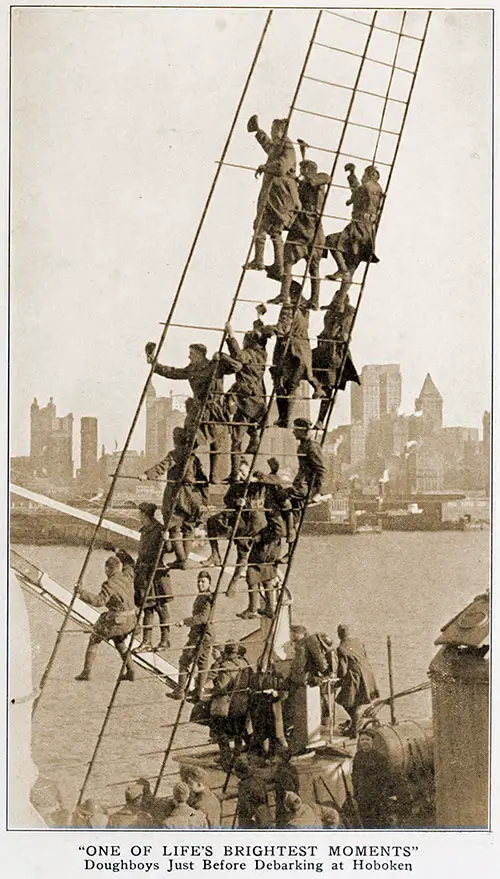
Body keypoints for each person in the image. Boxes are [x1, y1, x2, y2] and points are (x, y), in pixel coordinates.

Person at [145, 341, 241, 483]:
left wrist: (222, 356)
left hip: (215, 412)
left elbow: (237, 366)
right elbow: (173, 372)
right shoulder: (192, 369)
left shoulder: (215, 365)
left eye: (191, 354)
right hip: (198, 412)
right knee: (189, 443)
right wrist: (155, 365)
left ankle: (214, 477)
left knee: (217, 445)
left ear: (200, 355)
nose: (189, 357)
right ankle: (188, 473)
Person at [270, 150, 331, 310]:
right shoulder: (304, 182)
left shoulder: (320, 178)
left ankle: (313, 299)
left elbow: (317, 180)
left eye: (304, 170)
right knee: (289, 261)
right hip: (306, 225)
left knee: (308, 265)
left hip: (309, 226)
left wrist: (304, 176)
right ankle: (285, 294)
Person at [145, 427, 209, 570]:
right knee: (189, 528)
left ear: (175, 441)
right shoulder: (194, 458)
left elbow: (163, 465)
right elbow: (203, 481)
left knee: (174, 528)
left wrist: (148, 474)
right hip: (194, 497)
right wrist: (204, 501)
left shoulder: (176, 454)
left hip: (178, 495)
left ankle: (182, 559)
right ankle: (183, 560)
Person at [246, 115, 300, 280]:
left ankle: (279, 265)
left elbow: (282, 166)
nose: (272, 131)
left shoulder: (288, 147)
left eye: (273, 129)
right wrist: (258, 132)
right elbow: (270, 148)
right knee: (260, 225)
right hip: (271, 193)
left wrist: (265, 166)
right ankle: (259, 260)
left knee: (275, 231)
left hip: (281, 196)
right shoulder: (279, 145)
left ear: (281, 130)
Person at [204, 458, 268, 596]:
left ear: (248, 467)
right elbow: (227, 499)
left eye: (242, 470)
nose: (240, 474)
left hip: (256, 525)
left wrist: (251, 481)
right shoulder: (237, 483)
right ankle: (215, 554)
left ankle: (233, 582)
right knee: (211, 522)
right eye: (237, 471)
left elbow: (266, 480)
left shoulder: (259, 479)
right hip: (241, 524)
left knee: (246, 558)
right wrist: (236, 501)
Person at [268, 282, 325, 429]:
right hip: (303, 346)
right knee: (297, 380)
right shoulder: (305, 307)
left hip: (289, 350)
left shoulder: (289, 308)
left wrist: (264, 329)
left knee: (282, 382)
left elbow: (283, 329)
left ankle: (284, 418)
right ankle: (318, 388)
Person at [75, 556, 137, 682]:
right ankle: (131, 671)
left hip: (118, 620)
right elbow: (130, 564)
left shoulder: (110, 583)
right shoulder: (127, 577)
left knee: (94, 638)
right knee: (119, 641)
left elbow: (99, 601)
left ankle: (86, 672)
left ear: (107, 569)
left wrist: (82, 592)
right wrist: (118, 551)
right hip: (131, 620)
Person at [324, 163, 383, 287]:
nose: (362, 177)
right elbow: (358, 189)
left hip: (358, 227)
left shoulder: (365, 187)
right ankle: (339, 303)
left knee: (331, 240)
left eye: (363, 175)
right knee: (352, 262)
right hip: (369, 229)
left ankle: (342, 270)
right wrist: (352, 175)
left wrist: (349, 200)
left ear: (368, 175)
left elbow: (354, 194)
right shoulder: (379, 189)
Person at [224, 319, 268, 480]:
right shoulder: (262, 353)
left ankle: (235, 473)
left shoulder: (248, 354)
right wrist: (258, 321)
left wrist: (230, 335)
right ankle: (254, 436)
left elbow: (238, 355)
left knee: (236, 440)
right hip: (257, 400)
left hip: (246, 401)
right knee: (245, 428)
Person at [312, 290, 360, 430]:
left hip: (334, 353)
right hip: (325, 350)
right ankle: (317, 388)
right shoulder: (332, 311)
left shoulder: (348, 313)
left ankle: (320, 419)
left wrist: (335, 333)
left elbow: (343, 335)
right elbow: (326, 329)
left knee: (328, 386)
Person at [133, 502, 172, 651]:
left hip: (156, 573)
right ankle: (147, 642)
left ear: (145, 514)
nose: (139, 517)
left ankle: (165, 641)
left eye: (140, 514)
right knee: (147, 608)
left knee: (161, 608)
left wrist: (167, 539)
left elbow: (168, 549)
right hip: (144, 573)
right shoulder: (144, 530)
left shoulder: (159, 530)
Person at [170, 570, 214, 701]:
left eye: (203, 582)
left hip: (200, 636)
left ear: (209, 583)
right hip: (207, 635)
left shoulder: (207, 598)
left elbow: (202, 618)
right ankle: (198, 694)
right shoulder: (206, 595)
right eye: (199, 581)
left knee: (184, 661)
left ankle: (180, 691)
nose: (200, 584)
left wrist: (185, 621)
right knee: (202, 665)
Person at [209, 642, 251, 771]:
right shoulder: (245, 663)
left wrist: (212, 693)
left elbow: (221, 686)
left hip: (228, 705)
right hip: (243, 703)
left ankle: (226, 761)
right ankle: (237, 757)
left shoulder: (226, 666)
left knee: (221, 732)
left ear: (225, 652)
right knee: (239, 731)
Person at [335, 624, 379, 738]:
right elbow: (364, 656)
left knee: (347, 702)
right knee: (357, 703)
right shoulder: (357, 641)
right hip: (367, 673)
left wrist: (338, 680)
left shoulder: (341, 648)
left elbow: (342, 670)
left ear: (339, 634)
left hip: (355, 676)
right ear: (349, 633)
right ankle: (355, 727)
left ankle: (355, 728)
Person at [351, 729, 394, 828]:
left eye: (367, 739)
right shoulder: (358, 757)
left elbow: (386, 779)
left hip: (377, 797)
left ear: (372, 741)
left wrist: (383, 796)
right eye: (362, 740)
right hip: (362, 797)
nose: (365, 742)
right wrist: (356, 793)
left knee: (379, 823)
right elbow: (354, 776)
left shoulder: (380, 758)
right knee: (366, 822)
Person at [289, 417, 326, 506]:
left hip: (306, 487)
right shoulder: (302, 446)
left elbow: (321, 470)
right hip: (300, 485)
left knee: (280, 495)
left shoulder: (312, 447)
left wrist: (317, 492)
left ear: (303, 431)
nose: (293, 432)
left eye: (296, 430)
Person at [233, 757, 272, 828]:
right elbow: (266, 798)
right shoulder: (258, 780)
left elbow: (244, 805)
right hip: (264, 813)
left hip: (253, 817)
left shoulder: (244, 785)